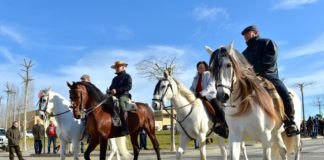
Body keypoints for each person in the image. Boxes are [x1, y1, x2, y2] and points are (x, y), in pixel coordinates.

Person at [241, 25, 299, 137]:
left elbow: (270, 60)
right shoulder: (244, 53)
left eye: (247, 33)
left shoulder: (267, 42)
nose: (245, 36)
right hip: (251, 78)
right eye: (244, 35)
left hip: (269, 75)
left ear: (255, 33)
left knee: (284, 94)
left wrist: (253, 70)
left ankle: (289, 122)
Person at [190, 61, 228, 138]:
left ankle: (224, 126)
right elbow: (192, 88)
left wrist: (202, 93)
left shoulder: (210, 75)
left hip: (209, 96)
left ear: (205, 67)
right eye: (199, 67)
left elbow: (210, 86)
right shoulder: (195, 78)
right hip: (197, 97)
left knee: (218, 108)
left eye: (202, 67)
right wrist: (189, 94)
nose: (200, 68)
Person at [107, 60, 132, 135]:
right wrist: (109, 91)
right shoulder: (114, 79)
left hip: (124, 95)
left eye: (119, 66)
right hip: (114, 96)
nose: (117, 68)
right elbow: (111, 87)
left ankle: (125, 127)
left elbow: (128, 86)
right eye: (116, 67)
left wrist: (117, 90)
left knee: (121, 104)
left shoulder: (127, 76)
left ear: (123, 67)